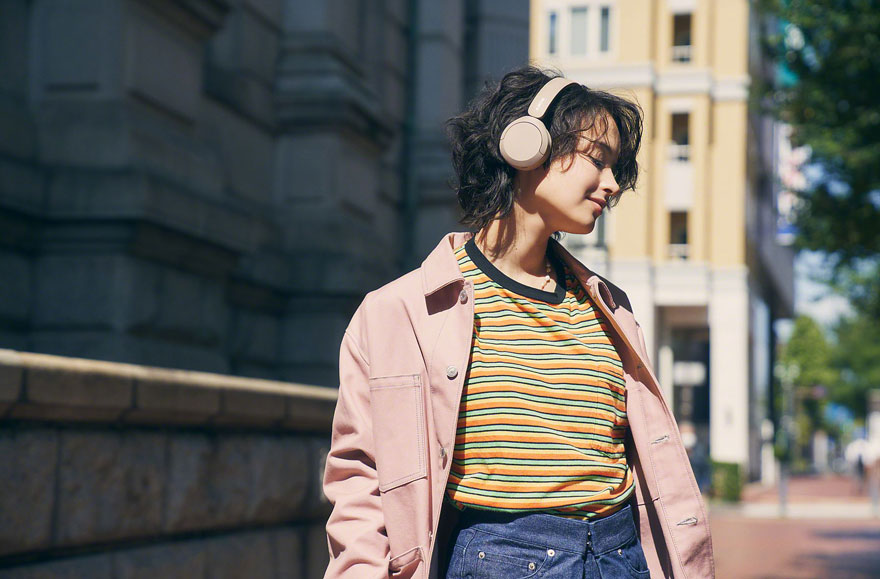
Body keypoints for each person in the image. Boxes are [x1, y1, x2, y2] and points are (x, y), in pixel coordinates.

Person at [322, 65, 715, 578]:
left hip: (619, 559)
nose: (613, 185)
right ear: (526, 144)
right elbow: (360, 479)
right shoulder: (400, 311)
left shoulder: (611, 309)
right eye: (597, 159)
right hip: (498, 559)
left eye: (616, 168)